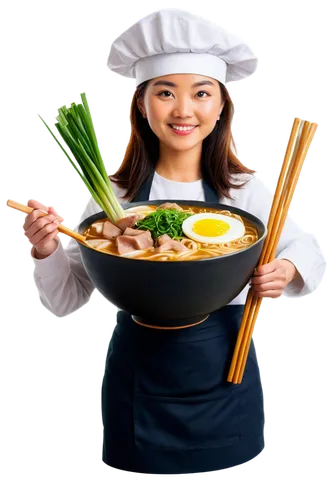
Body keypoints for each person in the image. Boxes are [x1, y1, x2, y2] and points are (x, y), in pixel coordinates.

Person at [24, 7, 326, 478]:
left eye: (201, 93)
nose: (184, 110)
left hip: (229, 370)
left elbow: (309, 250)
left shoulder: (246, 190)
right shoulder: (115, 198)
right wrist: (43, 251)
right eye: (165, 92)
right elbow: (65, 302)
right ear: (141, 103)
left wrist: (286, 270)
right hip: (138, 384)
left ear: (222, 104)